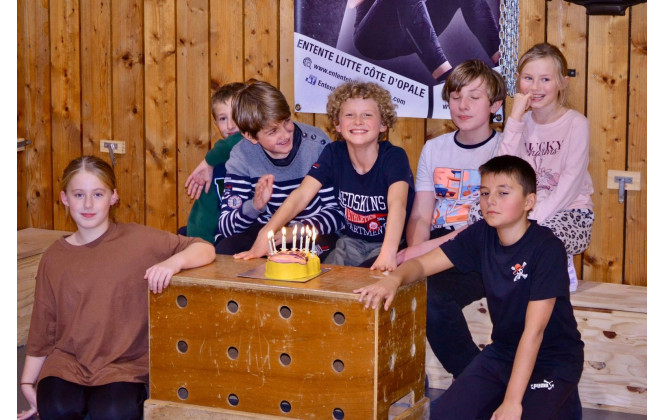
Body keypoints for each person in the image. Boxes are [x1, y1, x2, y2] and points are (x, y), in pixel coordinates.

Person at [355, 155, 584, 419]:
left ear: (528, 202)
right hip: (503, 353)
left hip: (552, 359)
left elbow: (534, 332)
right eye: (485, 193)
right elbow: (422, 264)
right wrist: (394, 279)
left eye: (503, 193)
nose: (491, 201)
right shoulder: (481, 233)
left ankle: (561, 401)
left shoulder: (547, 248)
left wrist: (512, 401)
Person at [18, 156, 216, 420]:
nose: (88, 204)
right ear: (65, 198)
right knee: (56, 409)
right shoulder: (54, 256)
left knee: (111, 413)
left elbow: (204, 248)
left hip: (122, 365)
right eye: (79, 194)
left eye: (98, 194)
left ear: (113, 197)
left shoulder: (140, 241)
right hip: (67, 362)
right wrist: (27, 384)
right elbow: (43, 324)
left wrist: (173, 262)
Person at [237, 80, 414, 272]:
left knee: (366, 279)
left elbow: (398, 204)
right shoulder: (333, 153)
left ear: (383, 124)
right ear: (337, 124)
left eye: (367, 115)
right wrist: (266, 233)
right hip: (349, 243)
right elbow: (301, 195)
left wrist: (388, 253)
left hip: (388, 244)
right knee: (318, 276)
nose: (358, 121)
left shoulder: (394, 157)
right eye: (349, 115)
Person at [401, 59, 505, 378]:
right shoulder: (435, 148)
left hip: (479, 252)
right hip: (436, 243)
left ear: (495, 105)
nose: (463, 105)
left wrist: (421, 256)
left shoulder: (505, 149)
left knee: (432, 298)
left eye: (474, 97)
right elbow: (421, 213)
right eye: (456, 96)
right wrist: (415, 253)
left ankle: (479, 382)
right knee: (366, 277)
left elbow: (492, 224)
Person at [497, 42, 594, 292]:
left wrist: (534, 217)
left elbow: (571, 183)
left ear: (562, 82)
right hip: (525, 209)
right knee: (480, 213)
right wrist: (515, 118)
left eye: (545, 79)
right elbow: (500, 173)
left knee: (542, 234)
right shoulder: (520, 123)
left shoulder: (576, 124)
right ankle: (510, 278)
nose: (536, 87)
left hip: (570, 211)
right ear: (518, 80)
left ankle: (556, 268)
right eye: (528, 78)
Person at [215, 80, 344, 258]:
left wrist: (297, 231)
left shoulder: (317, 146)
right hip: (265, 232)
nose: (285, 134)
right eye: (272, 131)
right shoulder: (241, 156)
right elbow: (226, 227)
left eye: (286, 122)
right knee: (226, 250)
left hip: (311, 232)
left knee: (298, 260)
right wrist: (254, 206)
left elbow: (339, 213)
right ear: (250, 136)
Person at [350, 0, 500, 82]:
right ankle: (447, 78)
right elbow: (351, 3)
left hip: (412, 29)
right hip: (373, 39)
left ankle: (501, 60)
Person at [181, 82, 246, 244]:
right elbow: (205, 211)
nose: (230, 125)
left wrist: (208, 160)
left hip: (252, 234)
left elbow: (241, 140)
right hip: (220, 236)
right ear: (215, 123)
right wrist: (197, 244)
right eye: (223, 119)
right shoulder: (214, 165)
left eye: (237, 116)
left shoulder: (259, 147)